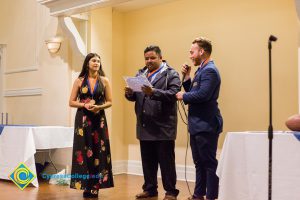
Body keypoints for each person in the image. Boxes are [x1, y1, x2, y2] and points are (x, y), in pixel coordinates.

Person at [125, 45, 181, 200]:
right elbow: (136, 97)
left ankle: (170, 192)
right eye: (146, 58)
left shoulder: (171, 74)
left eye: (152, 58)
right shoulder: (141, 73)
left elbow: (174, 94)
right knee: (148, 161)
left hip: (163, 126)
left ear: (160, 58)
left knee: (166, 162)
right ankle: (150, 189)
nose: (148, 61)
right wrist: (130, 94)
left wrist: (154, 92)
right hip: (145, 124)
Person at [176, 37, 223, 200]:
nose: (190, 55)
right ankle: (198, 194)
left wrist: (183, 95)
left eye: (192, 52)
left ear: (201, 51)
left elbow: (203, 95)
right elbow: (194, 92)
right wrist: (188, 77)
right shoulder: (201, 70)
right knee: (199, 162)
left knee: (209, 163)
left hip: (206, 124)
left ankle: (211, 196)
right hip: (197, 124)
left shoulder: (210, 70)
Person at [69, 53, 114, 198]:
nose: (97, 63)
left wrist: (99, 107)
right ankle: (86, 186)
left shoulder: (105, 80)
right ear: (87, 63)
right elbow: (71, 102)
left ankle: (95, 186)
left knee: (98, 151)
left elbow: (110, 101)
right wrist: (85, 105)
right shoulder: (79, 81)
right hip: (83, 120)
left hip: (98, 120)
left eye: (99, 61)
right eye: (94, 60)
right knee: (83, 151)